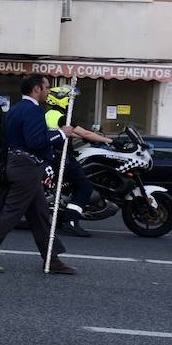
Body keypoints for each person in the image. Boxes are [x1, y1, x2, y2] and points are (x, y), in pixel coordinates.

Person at [0, 74, 77, 275]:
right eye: (46, 88)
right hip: (26, 167)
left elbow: (6, 141)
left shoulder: (16, 109)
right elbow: (36, 141)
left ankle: (51, 258)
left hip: (19, 164)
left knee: (40, 215)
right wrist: (61, 134)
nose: (48, 92)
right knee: (11, 214)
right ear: (36, 89)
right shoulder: (34, 110)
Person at [43, 85, 113, 238]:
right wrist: (108, 140)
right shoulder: (62, 116)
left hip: (52, 156)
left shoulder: (49, 114)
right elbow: (84, 132)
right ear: (61, 99)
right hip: (62, 158)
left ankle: (61, 219)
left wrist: (87, 137)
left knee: (73, 186)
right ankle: (71, 221)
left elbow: (69, 133)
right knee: (85, 187)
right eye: (70, 99)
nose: (71, 102)